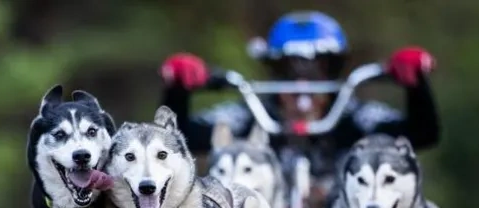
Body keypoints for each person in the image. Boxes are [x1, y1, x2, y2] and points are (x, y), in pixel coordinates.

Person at [158, 10, 440, 173]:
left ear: (334, 70)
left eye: (319, 69)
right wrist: (178, 90)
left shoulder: (354, 116)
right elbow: (178, 140)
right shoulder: (252, 116)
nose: (303, 84)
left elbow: (423, 133)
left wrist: (416, 86)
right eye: (288, 70)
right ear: (274, 70)